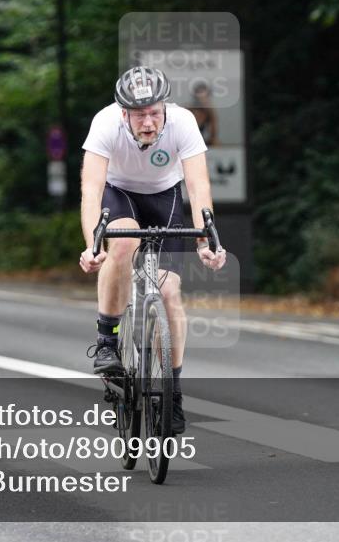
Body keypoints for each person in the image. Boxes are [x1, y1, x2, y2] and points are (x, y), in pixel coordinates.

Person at [79, 66, 227, 434]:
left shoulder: (183, 122)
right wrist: (92, 245)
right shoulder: (104, 123)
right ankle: (107, 340)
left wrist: (207, 240)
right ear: (124, 114)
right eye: (139, 115)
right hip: (119, 194)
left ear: (165, 108)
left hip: (165, 198)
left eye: (155, 113)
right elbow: (91, 190)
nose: (148, 122)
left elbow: (198, 185)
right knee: (123, 242)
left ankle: (172, 392)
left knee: (170, 292)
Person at [187, 80, 219, 146]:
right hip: (186, 141)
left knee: (216, 143)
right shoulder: (188, 110)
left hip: (198, 143)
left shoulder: (209, 112)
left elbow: (213, 135)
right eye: (199, 96)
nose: (202, 99)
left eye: (205, 97)